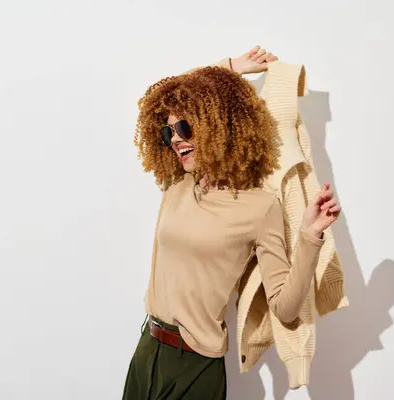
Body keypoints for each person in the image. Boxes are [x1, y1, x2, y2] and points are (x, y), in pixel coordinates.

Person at [123, 46, 341, 399]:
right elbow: (171, 88)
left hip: (196, 365)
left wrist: (308, 237)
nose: (175, 138)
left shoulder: (259, 207)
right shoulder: (176, 184)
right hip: (147, 350)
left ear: (216, 123)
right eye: (168, 133)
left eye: (184, 126)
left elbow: (284, 308)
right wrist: (230, 68)